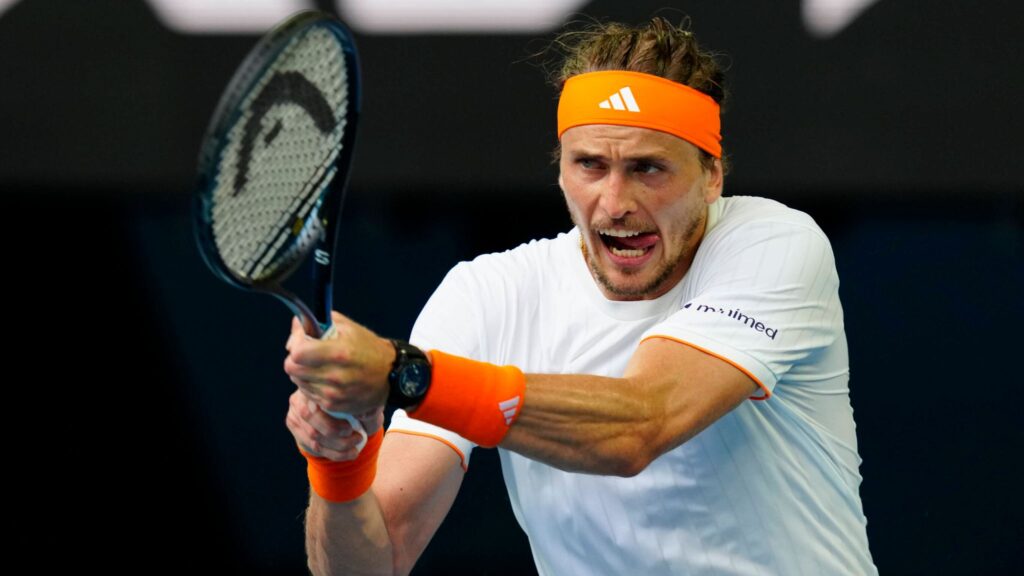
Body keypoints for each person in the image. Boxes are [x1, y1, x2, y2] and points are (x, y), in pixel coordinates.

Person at [283, 17, 877, 576]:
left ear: (712, 176)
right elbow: (377, 562)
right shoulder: (488, 293)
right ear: (561, 170)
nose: (614, 203)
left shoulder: (773, 243)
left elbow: (640, 424)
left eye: (648, 168)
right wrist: (339, 463)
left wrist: (407, 376)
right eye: (590, 165)